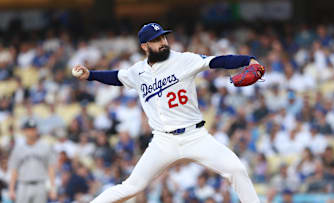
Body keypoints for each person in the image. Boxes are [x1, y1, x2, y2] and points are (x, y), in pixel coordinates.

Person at [73, 22, 262, 203]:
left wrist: (248, 60)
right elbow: (116, 77)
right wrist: (90, 75)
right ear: (145, 46)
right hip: (163, 142)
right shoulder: (137, 71)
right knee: (132, 186)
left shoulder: (184, 60)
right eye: (157, 40)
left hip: (195, 136)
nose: (163, 43)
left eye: (163, 38)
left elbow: (217, 61)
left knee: (236, 169)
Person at [8, 119, 57, 203]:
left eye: (33, 129)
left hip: (40, 184)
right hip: (23, 184)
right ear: (24, 131)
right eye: (29, 129)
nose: (31, 132)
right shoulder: (18, 149)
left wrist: (53, 188)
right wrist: (11, 189)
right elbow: (14, 169)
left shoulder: (45, 147)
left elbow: (51, 168)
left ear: (37, 130)